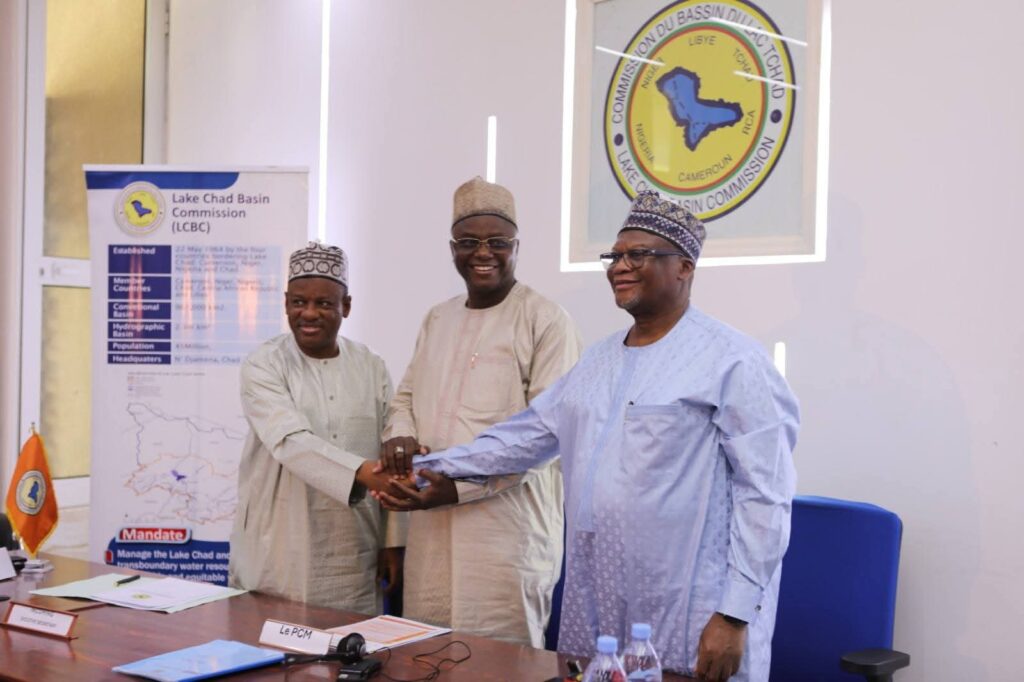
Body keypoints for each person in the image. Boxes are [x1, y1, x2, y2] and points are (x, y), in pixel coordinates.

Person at [376, 191, 799, 681]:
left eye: (638, 254)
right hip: (599, 600)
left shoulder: (734, 361)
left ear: (684, 267)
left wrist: (735, 615)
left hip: (690, 606)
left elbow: (765, 495)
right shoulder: (598, 361)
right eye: (614, 256)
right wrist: (426, 467)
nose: (620, 266)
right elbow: (525, 436)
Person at [379, 177, 582, 646]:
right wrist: (400, 437)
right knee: (426, 656)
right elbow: (404, 398)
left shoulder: (546, 320)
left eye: (497, 242)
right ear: (453, 249)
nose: (483, 253)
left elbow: (548, 437)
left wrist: (458, 489)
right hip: (430, 530)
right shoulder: (437, 318)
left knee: (500, 662)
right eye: (468, 242)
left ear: (517, 246)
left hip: (507, 536)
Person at [228, 241, 403, 613]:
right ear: (285, 303)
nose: (308, 313)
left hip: (354, 547)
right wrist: (363, 473)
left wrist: (393, 541)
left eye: (323, 303)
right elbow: (290, 442)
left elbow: (391, 447)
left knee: (351, 641)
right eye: (298, 302)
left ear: (346, 306)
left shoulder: (370, 366)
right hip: (279, 543)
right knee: (270, 637)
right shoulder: (264, 364)